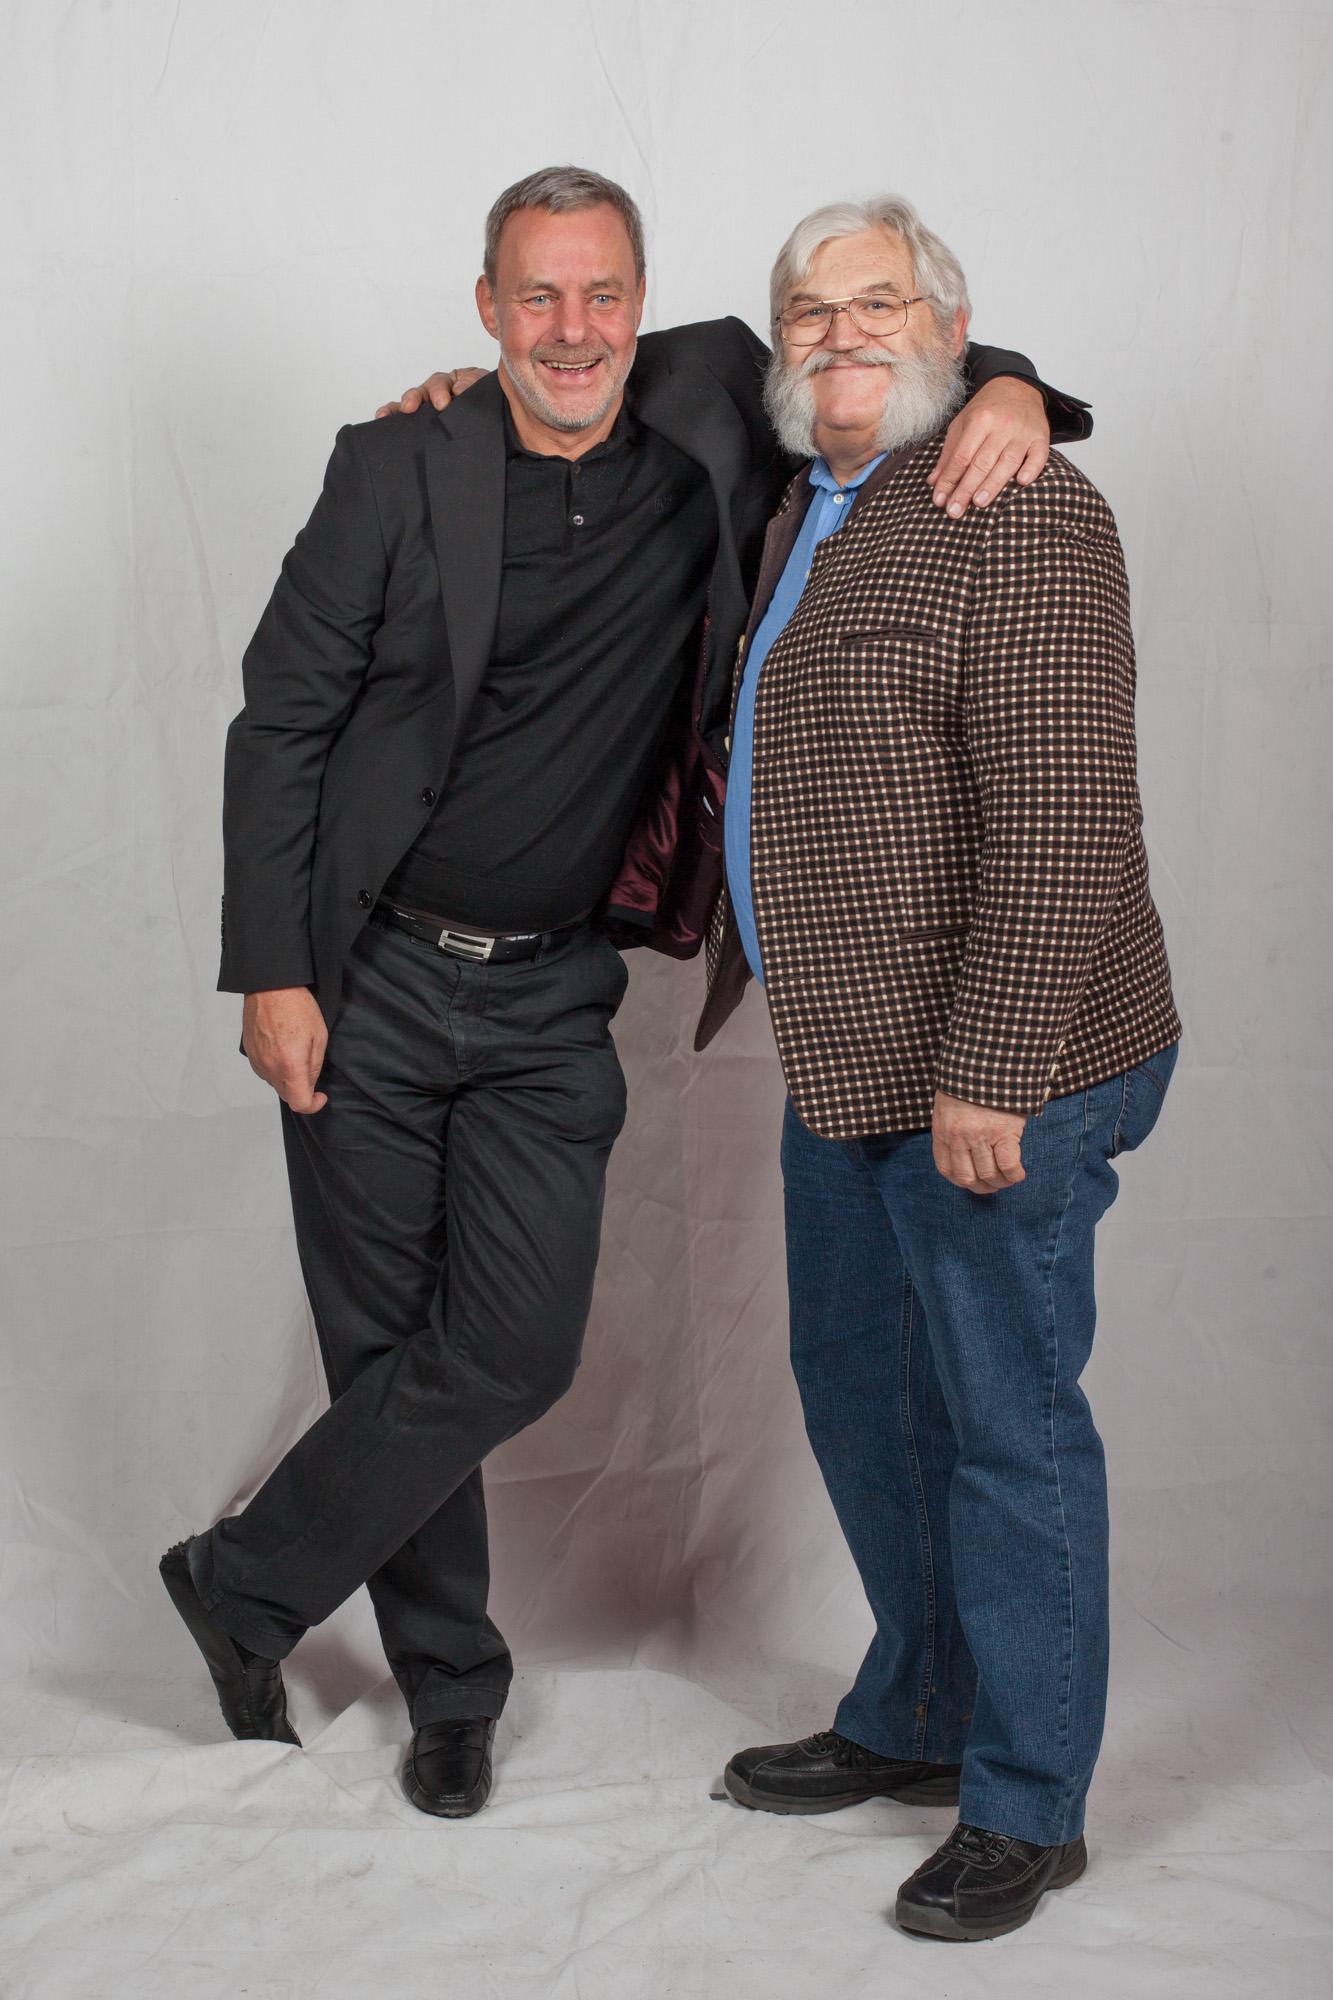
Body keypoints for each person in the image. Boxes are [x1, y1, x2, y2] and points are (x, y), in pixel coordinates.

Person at [159, 165, 1089, 1820]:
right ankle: (451, 1689)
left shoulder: (718, 407)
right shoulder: (394, 463)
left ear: (646, 307)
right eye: (537, 295)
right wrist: (274, 972)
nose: (572, 327)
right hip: (368, 980)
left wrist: (1013, 386)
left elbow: (884, 346)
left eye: (601, 294)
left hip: (549, 999)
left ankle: (240, 1580)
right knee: (388, 1353)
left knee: (507, 1348)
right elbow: (279, 721)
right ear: (486, 307)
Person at [692, 195, 1180, 1941]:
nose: (840, 334)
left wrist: (994, 1069)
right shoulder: (795, 497)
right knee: (860, 1395)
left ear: (950, 332)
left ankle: (1027, 1802)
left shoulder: (1015, 505)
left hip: (1002, 1062)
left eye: (878, 304)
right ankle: (914, 1707)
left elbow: (1063, 818)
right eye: (809, 310)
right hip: (844, 1052)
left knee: (1002, 1427)